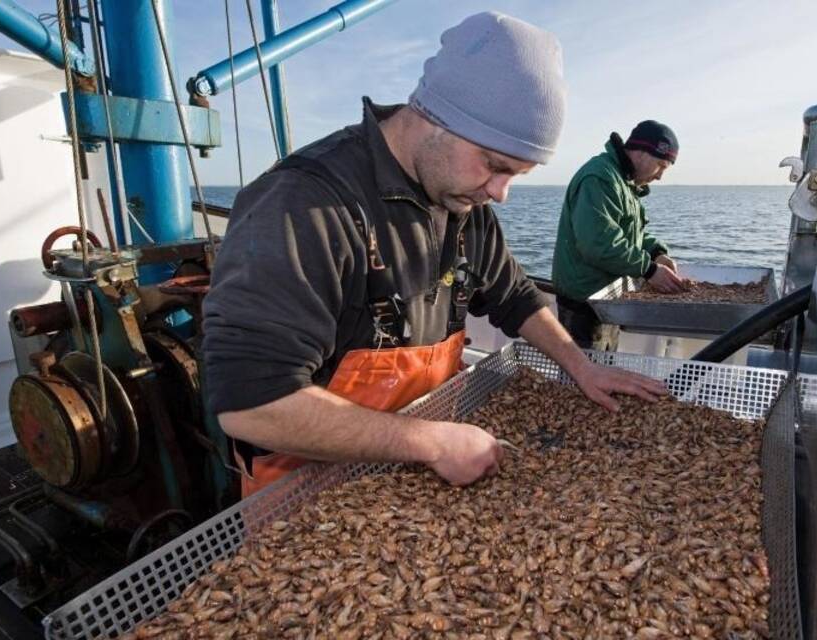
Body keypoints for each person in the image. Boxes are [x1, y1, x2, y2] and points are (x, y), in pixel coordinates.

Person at [202, 12, 667, 498]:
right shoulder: (302, 204)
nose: (501, 192)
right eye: (494, 165)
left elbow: (516, 298)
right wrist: (428, 442)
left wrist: (581, 366)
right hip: (305, 491)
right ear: (434, 117)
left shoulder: (462, 200)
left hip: (424, 464)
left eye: (517, 175)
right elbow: (252, 406)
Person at [550, 120, 685, 350]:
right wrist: (649, 270)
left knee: (605, 369)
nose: (660, 176)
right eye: (661, 165)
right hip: (584, 304)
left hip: (607, 300)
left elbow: (628, 234)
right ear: (642, 152)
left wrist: (656, 253)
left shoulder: (623, 181)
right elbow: (598, 243)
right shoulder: (600, 178)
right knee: (583, 379)